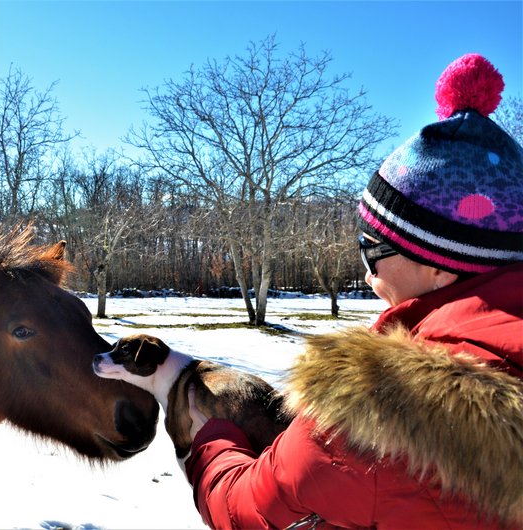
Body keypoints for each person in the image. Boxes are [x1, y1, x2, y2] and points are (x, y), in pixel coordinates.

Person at [185, 53, 523, 529]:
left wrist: (209, 441)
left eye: (372, 249)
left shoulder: (378, 410)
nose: (367, 274)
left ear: (441, 267)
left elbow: (245, 510)